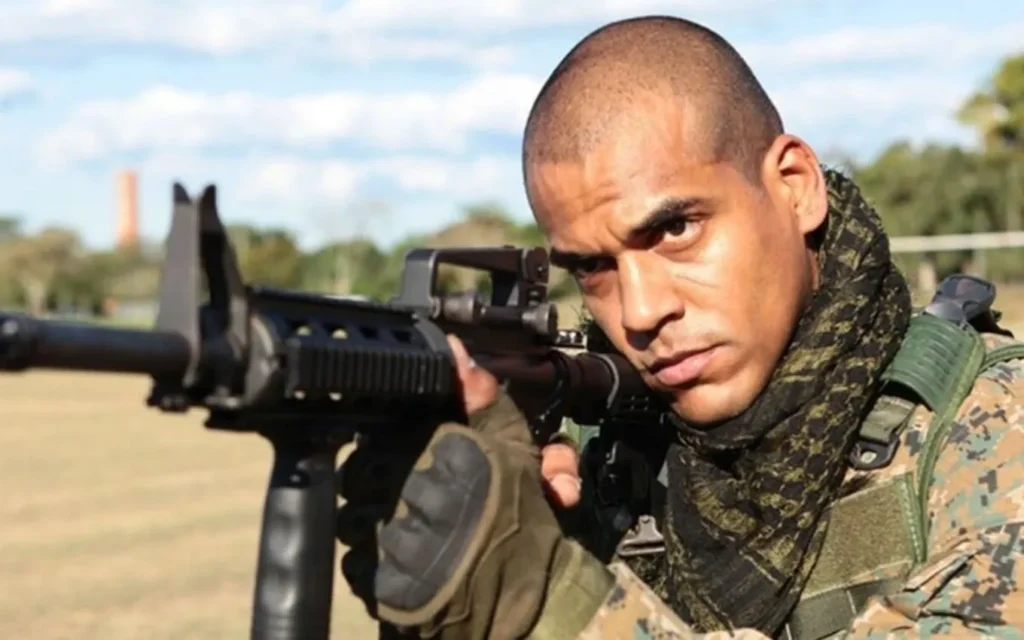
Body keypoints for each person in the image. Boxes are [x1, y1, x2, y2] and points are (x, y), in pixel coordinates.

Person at [337, 15, 1024, 639]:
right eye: (593, 268)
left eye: (675, 229)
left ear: (795, 187)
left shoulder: (991, 424)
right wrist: (465, 585)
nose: (639, 313)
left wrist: (552, 598)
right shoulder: (605, 459)